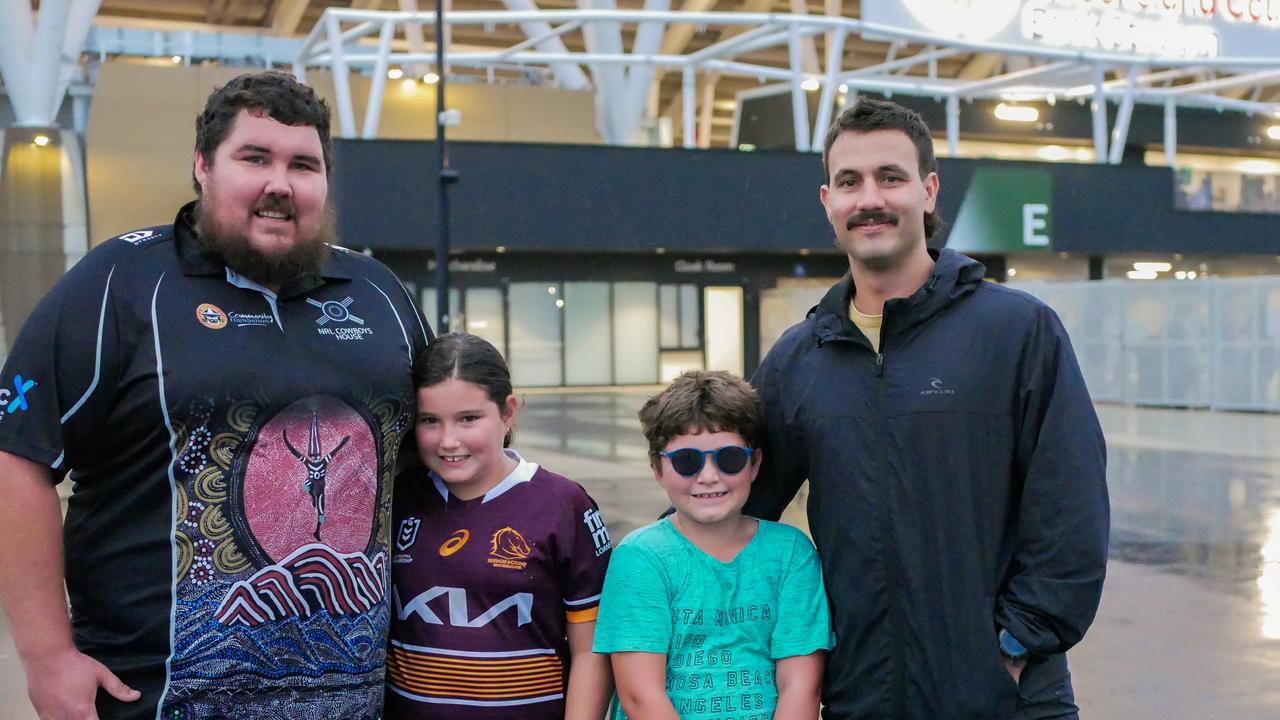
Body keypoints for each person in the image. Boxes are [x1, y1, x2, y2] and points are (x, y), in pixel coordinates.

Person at [0, 71, 431, 719]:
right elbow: (17, 456)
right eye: (254, 158)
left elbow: (437, 458)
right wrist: (45, 655)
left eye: (303, 165)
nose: (279, 184)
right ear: (203, 166)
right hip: (155, 698)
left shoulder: (379, 295)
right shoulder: (121, 283)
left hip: (351, 702)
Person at [743, 98, 1109, 720]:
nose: (869, 198)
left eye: (891, 177)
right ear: (827, 200)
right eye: (849, 182)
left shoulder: (1017, 331)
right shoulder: (800, 357)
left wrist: (1018, 641)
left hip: (1005, 694)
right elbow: (731, 495)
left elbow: (1069, 504)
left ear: (929, 190)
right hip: (862, 693)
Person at [386, 332, 613, 720]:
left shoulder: (563, 504)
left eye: (468, 419)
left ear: (507, 412)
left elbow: (591, 650)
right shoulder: (396, 499)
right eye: (430, 421)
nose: (448, 440)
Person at [594, 370, 832, 720]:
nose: (708, 477)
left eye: (729, 458)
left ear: (755, 464)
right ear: (658, 469)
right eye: (687, 461)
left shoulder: (791, 554)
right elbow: (640, 695)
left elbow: (800, 687)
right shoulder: (641, 558)